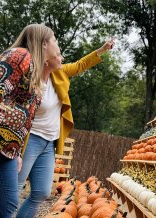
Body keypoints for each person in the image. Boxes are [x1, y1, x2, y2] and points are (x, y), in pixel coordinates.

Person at [16, 38, 115, 217]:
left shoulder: (59, 73)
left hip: (49, 143)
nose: (62, 59)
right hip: (31, 139)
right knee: (13, 189)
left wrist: (102, 50)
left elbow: (80, 65)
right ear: (46, 58)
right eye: (59, 55)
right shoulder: (30, 77)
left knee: (42, 192)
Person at [0, 24, 60, 218]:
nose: (57, 44)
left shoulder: (36, 72)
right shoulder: (20, 55)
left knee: (7, 206)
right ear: (44, 43)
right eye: (54, 40)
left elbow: (27, 117)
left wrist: (18, 151)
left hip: (9, 150)